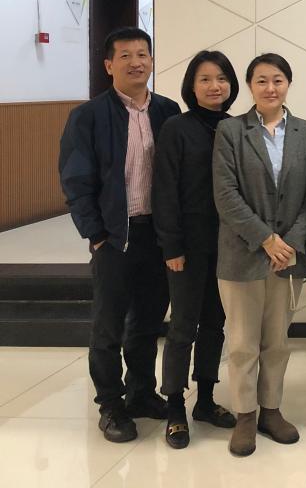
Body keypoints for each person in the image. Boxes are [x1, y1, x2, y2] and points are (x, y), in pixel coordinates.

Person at [58, 27, 180, 443]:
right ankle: (110, 405)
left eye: (142, 54)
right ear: (109, 65)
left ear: (151, 61)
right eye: (125, 55)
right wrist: (95, 234)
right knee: (108, 327)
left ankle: (141, 393)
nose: (135, 62)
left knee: (148, 321)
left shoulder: (168, 111)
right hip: (114, 236)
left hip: (157, 235)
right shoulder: (88, 116)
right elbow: (75, 179)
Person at [213, 53, 306, 457]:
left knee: (277, 340)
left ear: (288, 84)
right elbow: (225, 194)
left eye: (277, 80)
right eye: (261, 81)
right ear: (250, 86)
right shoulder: (230, 131)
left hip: (288, 256)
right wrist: (265, 239)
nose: (270, 88)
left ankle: (271, 410)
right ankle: (245, 414)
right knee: (242, 341)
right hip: (242, 254)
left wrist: (288, 242)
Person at [153, 50, 240, 448]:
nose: (214, 86)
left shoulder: (236, 127)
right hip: (186, 247)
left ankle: (205, 400)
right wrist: (171, 244)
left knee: (215, 324)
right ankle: (175, 406)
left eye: (221, 78)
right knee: (182, 327)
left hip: (227, 247)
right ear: (191, 85)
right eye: (205, 79)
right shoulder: (177, 128)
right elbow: (164, 189)